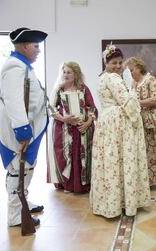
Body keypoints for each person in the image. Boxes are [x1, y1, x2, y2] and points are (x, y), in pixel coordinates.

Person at [90, 45, 151, 218]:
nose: (117, 66)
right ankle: (125, 202)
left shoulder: (101, 77)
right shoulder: (114, 79)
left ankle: (109, 202)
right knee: (121, 159)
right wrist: (134, 101)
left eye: (119, 62)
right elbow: (128, 102)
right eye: (113, 63)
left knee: (110, 160)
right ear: (106, 62)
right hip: (118, 122)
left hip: (106, 121)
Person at [0, 27, 48, 227]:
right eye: (36, 46)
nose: (38, 50)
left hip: (29, 128)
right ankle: (16, 215)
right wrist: (22, 131)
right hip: (18, 130)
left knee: (26, 167)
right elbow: (14, 101)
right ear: (24, 46)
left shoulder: (22, 65)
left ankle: (23, 200)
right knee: (18, 169)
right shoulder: (14, 67)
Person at [47, 62, 97, 193]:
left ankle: (83, 184)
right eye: (64, 72)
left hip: (82, 129)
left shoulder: (83, 88)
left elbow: (92, 107)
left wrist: (87, 123)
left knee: (83, 156)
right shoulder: (59, 89)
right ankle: (68, 185)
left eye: (69, 72)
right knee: (67, 156)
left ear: (76, 74)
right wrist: (65, 119)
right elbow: (51, 108)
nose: (66, 74)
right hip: (64, 130)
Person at [124, 57, 156, 186]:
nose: (130, 73)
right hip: (140, 117)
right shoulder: (133, 83)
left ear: (139, 67)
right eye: (128, 71)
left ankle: (154, 178)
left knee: (153, 148)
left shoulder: (150, 79)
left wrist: (136, 102)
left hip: (152, 118)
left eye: (132, 70)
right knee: (142, 149)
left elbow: (154, 99)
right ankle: (144, 179)